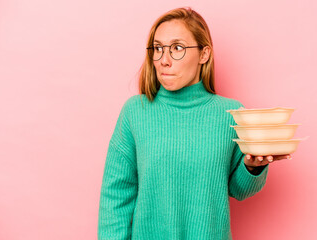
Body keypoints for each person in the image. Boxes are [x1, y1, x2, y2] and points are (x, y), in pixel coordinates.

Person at [97, 7, 291, 240]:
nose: (163, 60)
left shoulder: (231, 114)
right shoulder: (134, 112)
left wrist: (253, 166)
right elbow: (116, 195)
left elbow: (239, 190)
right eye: (158, 48)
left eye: (177, 48)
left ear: (204, 54)